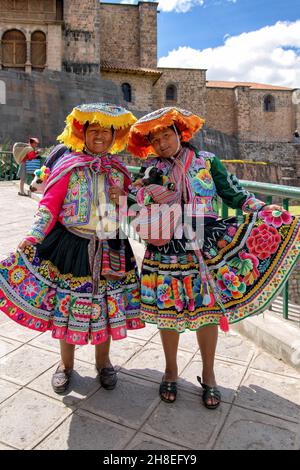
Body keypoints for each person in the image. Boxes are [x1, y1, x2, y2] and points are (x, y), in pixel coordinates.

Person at [127, 106, 300, 409]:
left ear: (179, 133)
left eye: (166, 135)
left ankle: (209, 374)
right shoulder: (150, 168)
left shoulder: (207, 162)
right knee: (167, 311)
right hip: (165, 247)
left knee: (207, 311)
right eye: (155, 140)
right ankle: (170, 369)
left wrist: (262, 209)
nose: (162, 143)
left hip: (206, 244)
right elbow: (134, 202)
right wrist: (143, 192)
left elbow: (235, 195)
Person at [0, 103, 144, 394]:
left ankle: (103, 364)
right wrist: (32, 237)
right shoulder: (69, 165)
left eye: (106, 131)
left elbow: (133, 210)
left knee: (106, 307)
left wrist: (125, 197)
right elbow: (49, 205)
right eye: (94, 131)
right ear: (83, 133)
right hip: (72, 246)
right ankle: (65, 365)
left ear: (115, 136)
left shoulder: (119, 171)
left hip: (112, 245)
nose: (100, 137)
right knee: (67, 309)